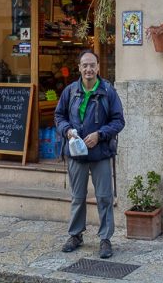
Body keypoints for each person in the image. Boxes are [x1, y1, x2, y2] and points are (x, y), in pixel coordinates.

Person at [53, 50, 125, 259]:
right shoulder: (70, 91)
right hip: (76, 153)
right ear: (79, 68)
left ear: (98, 67)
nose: (89, 69)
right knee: (77, 197)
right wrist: (67, 130)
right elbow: (59, 116)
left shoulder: (107, 91)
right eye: (85, 65)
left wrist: (100, 134)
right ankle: (75, 235)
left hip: (100, 152)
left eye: (92, 65)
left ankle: (105, 239)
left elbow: (119, 120)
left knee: (104, 197)